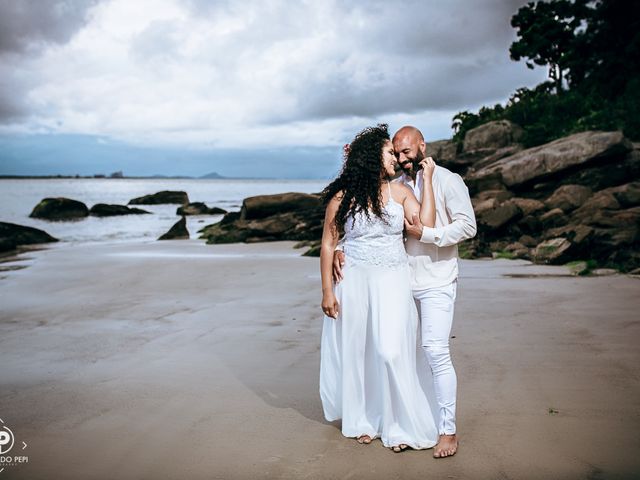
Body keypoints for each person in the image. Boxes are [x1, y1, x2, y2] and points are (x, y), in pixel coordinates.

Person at [333, 126, 477, 458]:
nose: (401, 158)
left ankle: (447, 431)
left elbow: (468, 225)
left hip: (436, 280)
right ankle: (403, 420)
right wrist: (343, 249)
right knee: (398, 355)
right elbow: (372, 225)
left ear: (422, 146)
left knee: (435, 351)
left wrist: (428, 235)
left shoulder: (448, 180)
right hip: (398, 283)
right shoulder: (395, 187)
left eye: (407, 152)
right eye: (396, 153)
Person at [319, 124, 439, 452]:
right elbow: (329, 244)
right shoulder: (343, 198)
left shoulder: (401, 192)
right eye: (390, 152)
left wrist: (426, 182)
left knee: (390, 349)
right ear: (373, 157)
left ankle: (399, 425)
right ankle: (364, 420)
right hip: (354, 280)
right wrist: (327, 292)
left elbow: (425, 226)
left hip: (392, 278)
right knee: (358, 351)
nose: (396, 160)